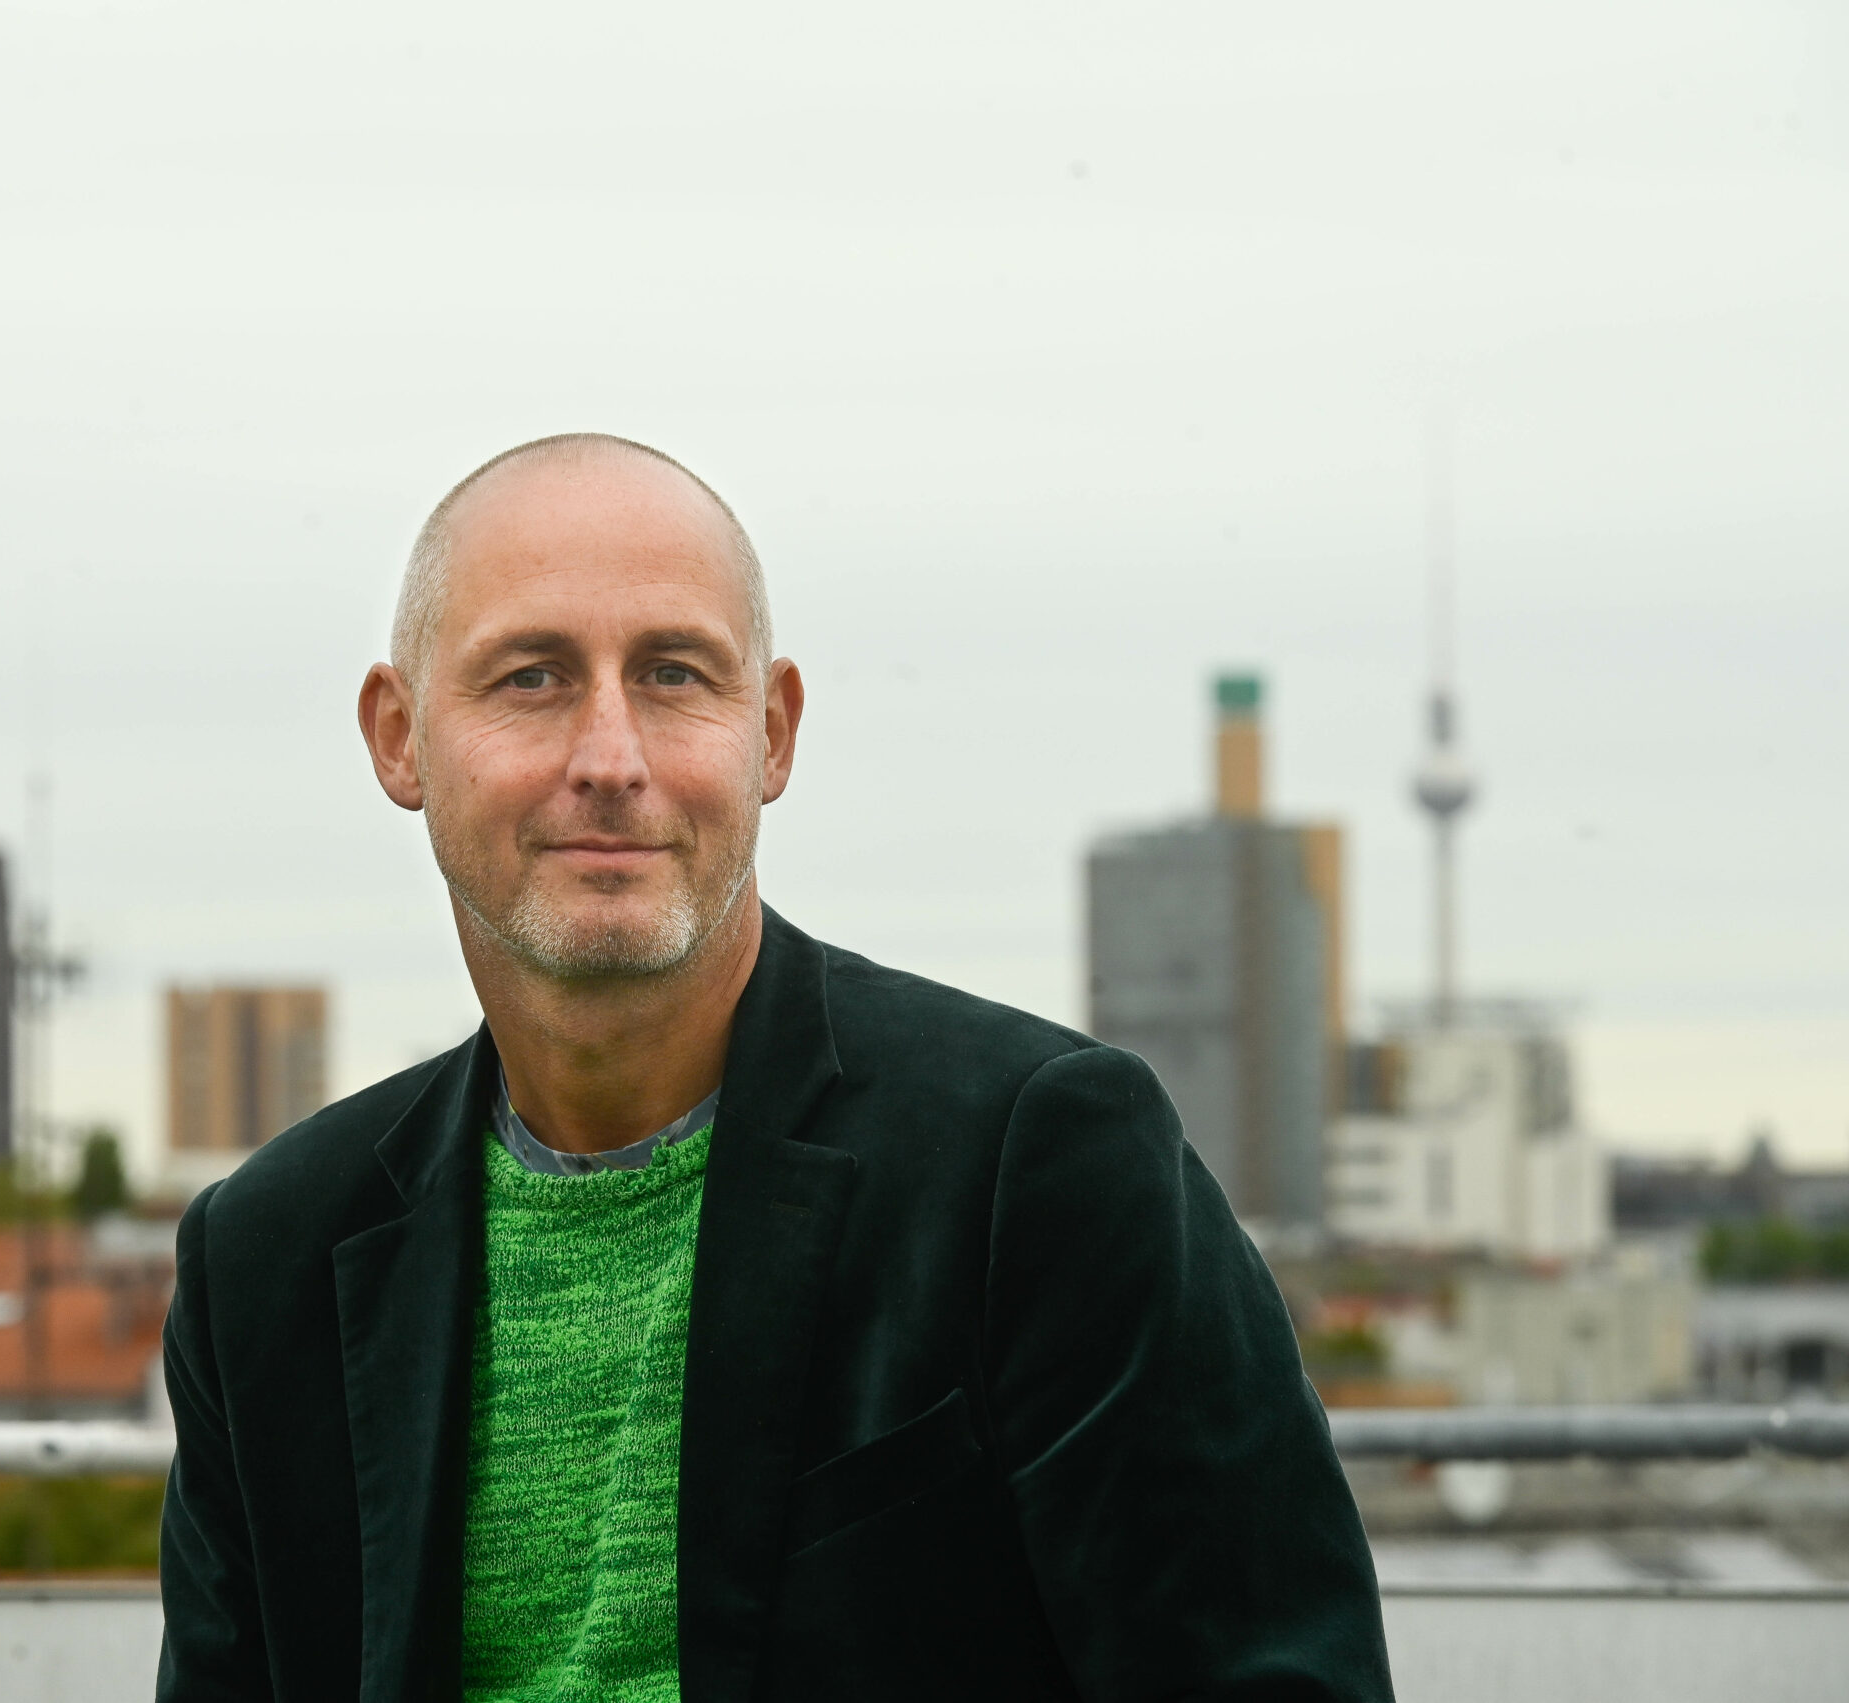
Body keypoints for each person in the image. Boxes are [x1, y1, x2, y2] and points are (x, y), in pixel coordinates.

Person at [155, 433, 1393, 1701]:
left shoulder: (1041, 1163)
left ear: (773, 732)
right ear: (400, 736)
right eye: (529, 678)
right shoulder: (265, 1262)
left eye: (673, 673)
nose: (609, 755)